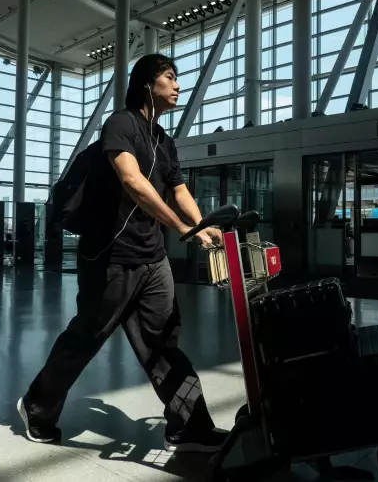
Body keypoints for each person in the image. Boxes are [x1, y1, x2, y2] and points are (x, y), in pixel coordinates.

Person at [18, 54, 227, 453]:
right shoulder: (121, 124)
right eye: (170, 77)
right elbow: (131, 180)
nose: (178, 85)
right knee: (87, 337)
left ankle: (188, 427)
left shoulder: (164, 142)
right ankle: (37, 406)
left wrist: (201, 225)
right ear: (148, 84)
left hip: (152, 260)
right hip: (110, 258)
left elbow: (179, 190)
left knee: (165, 342)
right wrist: (181, 228)